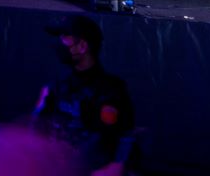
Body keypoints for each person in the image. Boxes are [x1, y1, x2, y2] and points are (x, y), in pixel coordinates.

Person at [25, 13, 133, 176]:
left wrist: (114, 165)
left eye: (65, 37)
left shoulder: (110, 89)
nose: (60, 42)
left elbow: (117, 137)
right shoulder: (57, 86)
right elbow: (37, 128)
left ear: (82, 46)